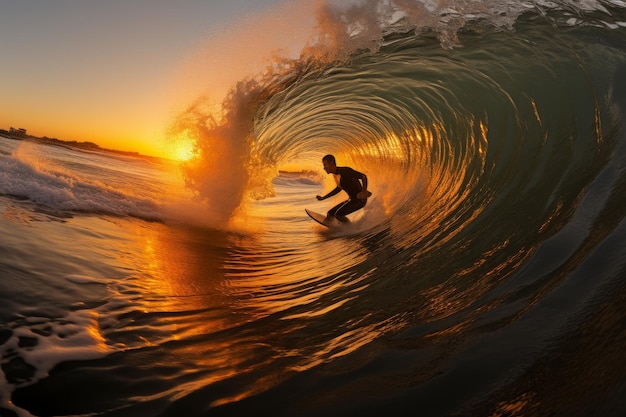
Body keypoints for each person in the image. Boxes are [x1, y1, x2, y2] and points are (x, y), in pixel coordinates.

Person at [316, 154, 371, 222]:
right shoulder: (335, 174)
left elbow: (363, 176)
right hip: (351, 199)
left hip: (359, 200)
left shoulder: (345, 171)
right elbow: (338, 188)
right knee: (330, 214)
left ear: (332, 163)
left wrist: (364, 191)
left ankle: (349, 228)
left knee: (338, 215)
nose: (324, 168)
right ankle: (337, 229)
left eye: (325, 165)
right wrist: (323, 198)